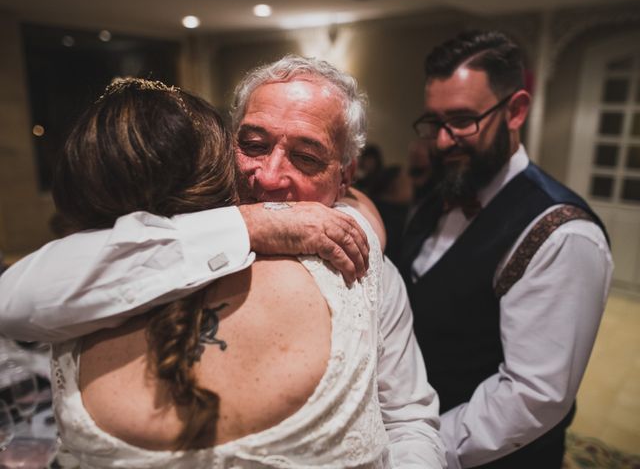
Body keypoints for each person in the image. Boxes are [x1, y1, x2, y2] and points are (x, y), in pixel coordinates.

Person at [0, 57, 445, 468]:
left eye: (306, 158)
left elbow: (408, 421)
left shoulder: (366, 268)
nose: (269, 177)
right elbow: (15, 298)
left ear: (345, 176)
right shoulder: (148, 251)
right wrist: (248, 225)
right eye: (253, 145)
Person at [393, 30, 613, 468]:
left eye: (461, 120)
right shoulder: (445, 191)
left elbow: (532, 396)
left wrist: (412, 452)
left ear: (515, 111)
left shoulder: (562, 234)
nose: (441, 141)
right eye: (434, 122)